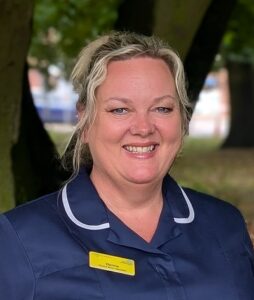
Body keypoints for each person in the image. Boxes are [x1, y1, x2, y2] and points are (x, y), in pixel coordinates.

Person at [0, 31, 254, 300]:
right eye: (120, 109)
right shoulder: (17, 241)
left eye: (163, 109)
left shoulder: (225, 225)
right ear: (85, 122)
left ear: (182, 120)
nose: (143, 128)